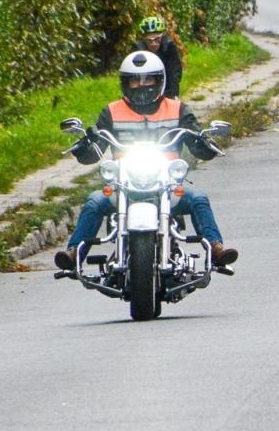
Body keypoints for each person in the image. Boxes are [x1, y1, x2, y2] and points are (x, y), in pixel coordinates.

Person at [55, 51, 237, 272]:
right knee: (94, 201)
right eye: (135, 80)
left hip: (169, 186)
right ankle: (74, 253)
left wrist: (204, 142)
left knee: (198, 198)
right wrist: (85, 145)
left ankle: (216, 248)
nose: (141, 85)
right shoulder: (112, 111)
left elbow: (196, 141)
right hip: (122, 185)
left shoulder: (177, 109)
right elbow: (95, 150)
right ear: (125, 83)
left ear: (159, 80)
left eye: (148, 79)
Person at [137, 15, 183, 99]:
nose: (153, 43)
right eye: (149, 40)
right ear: (143, 39)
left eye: (157, 39)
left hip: (167, 82)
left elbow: (174, 72)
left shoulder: (169, 46)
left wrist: (173, 94)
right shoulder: (137, 49)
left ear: (162, 36)